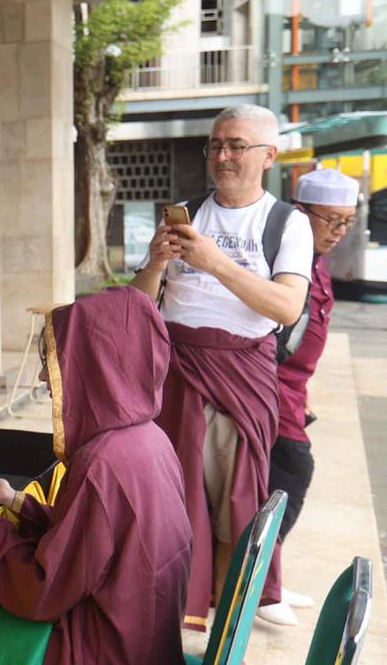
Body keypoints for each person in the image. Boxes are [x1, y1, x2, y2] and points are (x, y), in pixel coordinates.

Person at [0, 287, 192, 664]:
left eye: (55, 361)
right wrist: (13, 500)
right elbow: (92, 542)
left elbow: (45, 589)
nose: (45, 378)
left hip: (106, 645)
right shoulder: (151, 437)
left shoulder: (102, 462)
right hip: (148, 635)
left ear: (95, 365)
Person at [129, 104, 313, 634]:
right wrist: (156, 264)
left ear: (269, 156)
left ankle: (233, 607)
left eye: (236, 145)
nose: (223, 156)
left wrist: (215, 263)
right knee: (178, 494)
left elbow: (285, 308)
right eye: (215, 145)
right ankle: (177, 604)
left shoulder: (286, 223)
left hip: (241, 372)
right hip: (177, 369)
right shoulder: (184, 211)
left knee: (237, 499)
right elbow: (142, 305)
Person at [268, 168, 359, 607]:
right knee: (291, 472)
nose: (340, 231)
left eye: (348, 221)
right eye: (333, 220)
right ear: (301, 213)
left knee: (274, 485)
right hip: (270, 393)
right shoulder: (287, 261)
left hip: (294, 395)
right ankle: (260, 583)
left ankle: (268, 577)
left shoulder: (315, 263)